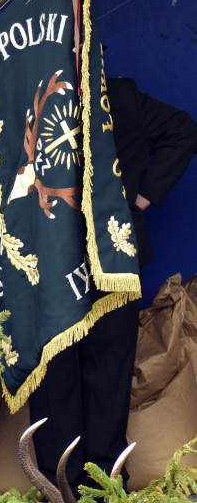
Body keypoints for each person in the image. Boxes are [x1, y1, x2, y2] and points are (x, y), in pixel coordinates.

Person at [27, 74, 197, 495]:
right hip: (84, 255)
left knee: (76, 371)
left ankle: (74, 486)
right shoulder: (110, 91)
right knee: (86, 370)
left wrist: (138, 197)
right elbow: (182, 130)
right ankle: (90, 486)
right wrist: (138, 196)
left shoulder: (49, 94)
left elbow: (183, 131)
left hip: (81, 255)